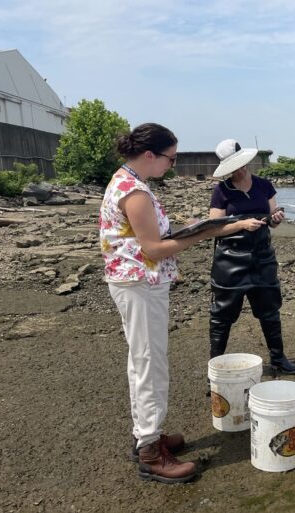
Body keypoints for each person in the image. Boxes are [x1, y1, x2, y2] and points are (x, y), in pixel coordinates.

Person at [100, 123, 245, 483]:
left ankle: (147, 435)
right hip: (139, 284)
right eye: (171, 158)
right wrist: (203, 233)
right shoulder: (135, 191)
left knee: (143, 360)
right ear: (150, 155)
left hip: (136, 280)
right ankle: (150, 451)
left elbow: (149, 238)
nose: (173, 164)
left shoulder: (128, 181)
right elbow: (153, 248)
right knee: (149, 363)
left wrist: (188, 229)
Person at [207, 139, 295, 374]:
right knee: (221, 315)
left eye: (241, 165)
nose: (239, 170)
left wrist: (276, 218)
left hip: (262, 257)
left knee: (270, 311)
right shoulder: (221, 191)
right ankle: (215, 368)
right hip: (230, 259)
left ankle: (278, 359)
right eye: (233, 167)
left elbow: (273, 216)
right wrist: (241, 224)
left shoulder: (263, 185)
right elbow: (214, 228)